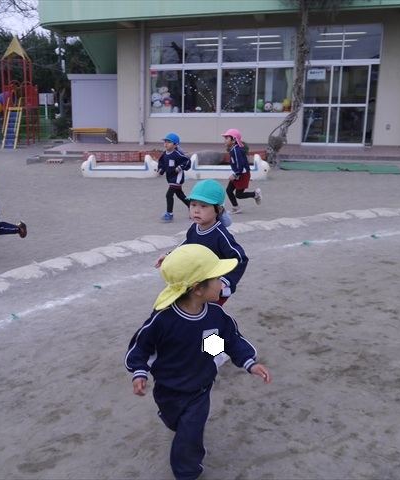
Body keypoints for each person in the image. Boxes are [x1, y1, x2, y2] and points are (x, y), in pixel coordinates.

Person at [125, 244, 271, 480]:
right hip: (168, 389)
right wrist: (139, 371)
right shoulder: (162, 321)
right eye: (217, 279)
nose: (222, 283)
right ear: (197, 289)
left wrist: (248, 362)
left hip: (200, 388)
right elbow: (142, 347)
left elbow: (228, 340)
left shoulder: (215, 315)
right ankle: (177, 423)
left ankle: (187, 473)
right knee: (175, 423)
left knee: (189, 435)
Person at [154, 179, 247, 306]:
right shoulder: (194, 228)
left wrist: (226, 281)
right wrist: (170, 255)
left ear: (219, 209)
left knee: (208, 313)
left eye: (203, 206)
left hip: (214, 288)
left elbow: (240, 258)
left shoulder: (221, 235)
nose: (196, 210)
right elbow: (187, 245)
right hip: (198, 282)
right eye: (193, 205)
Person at [222, 128, 262, 214]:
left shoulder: (236, 151)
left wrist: (235, 175)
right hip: (238, 173)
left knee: (239, 195)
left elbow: (240, 164)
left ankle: (255, 194)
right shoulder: (234, 149)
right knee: (229, 190)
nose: (225, 140)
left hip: (242, 175)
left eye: (227, 138)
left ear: (233, 140)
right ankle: (236, 207)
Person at [157, 133, 192, 223]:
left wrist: (180, 167)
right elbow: (162, 164)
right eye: (165, 142)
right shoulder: (164, 154)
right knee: (180, 194)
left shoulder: (177, 154)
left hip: (177, 178)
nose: (166, 144)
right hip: (170, 177)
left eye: (169, 142)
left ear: (175, 145)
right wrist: (160, 170)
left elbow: (187, 161)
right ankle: (191, 205)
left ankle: (169, 214)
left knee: (169, 195)